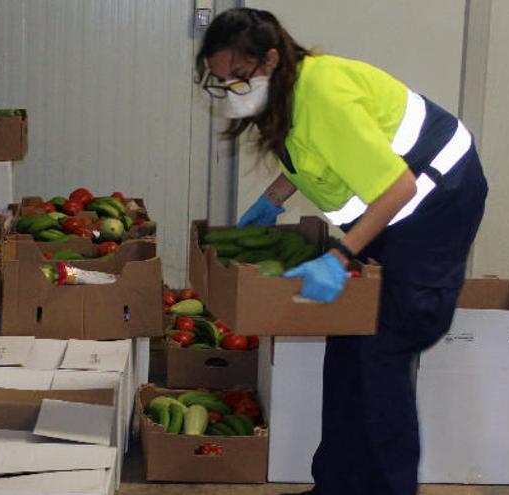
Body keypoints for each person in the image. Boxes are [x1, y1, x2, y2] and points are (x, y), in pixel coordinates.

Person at [195, 8, 488, 495]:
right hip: (390, 210)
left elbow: (398, 188)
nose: (231, 90)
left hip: (435, 203)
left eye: (239, 77)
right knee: (348, 343)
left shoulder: (323, 96)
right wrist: (271, 201)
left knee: (381, 353)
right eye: (220, 81)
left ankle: (390, 487)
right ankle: (335, 485)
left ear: (270, 59)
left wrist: (340, 257)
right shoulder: (288, 89)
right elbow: (312, 155)